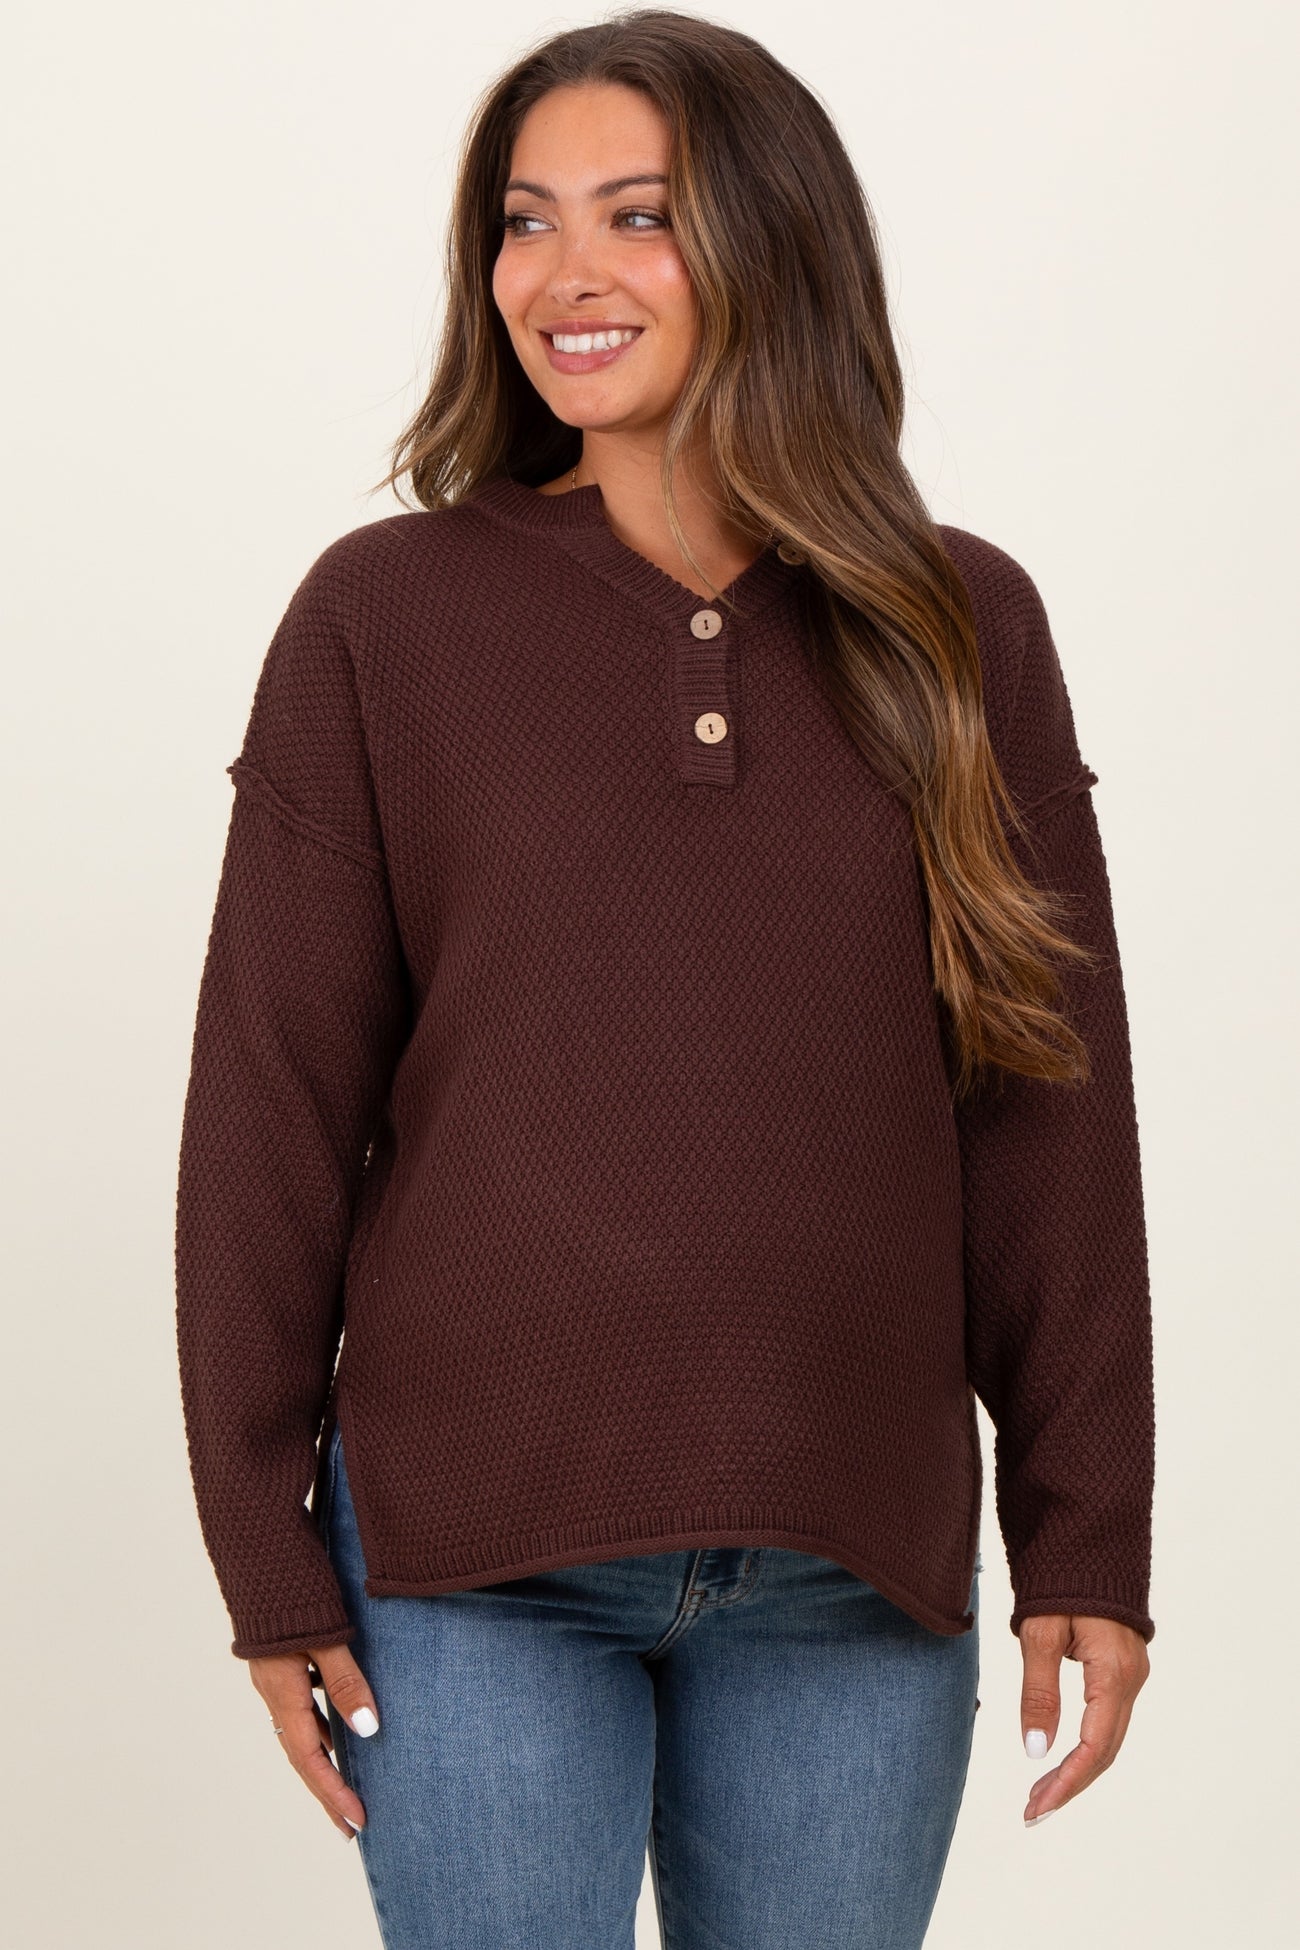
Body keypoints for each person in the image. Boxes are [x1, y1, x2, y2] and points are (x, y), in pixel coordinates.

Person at [174, 11, 1155, 1946]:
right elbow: (269, 1110)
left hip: (852, 1553)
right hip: (470, 1558)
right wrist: (261, 1545)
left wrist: (1088, 1531)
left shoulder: (962, 624)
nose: (565, 273)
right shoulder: (384, 617)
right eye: (524, 221)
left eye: (639, 215)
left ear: (774, 239)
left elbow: (1049, 1109)